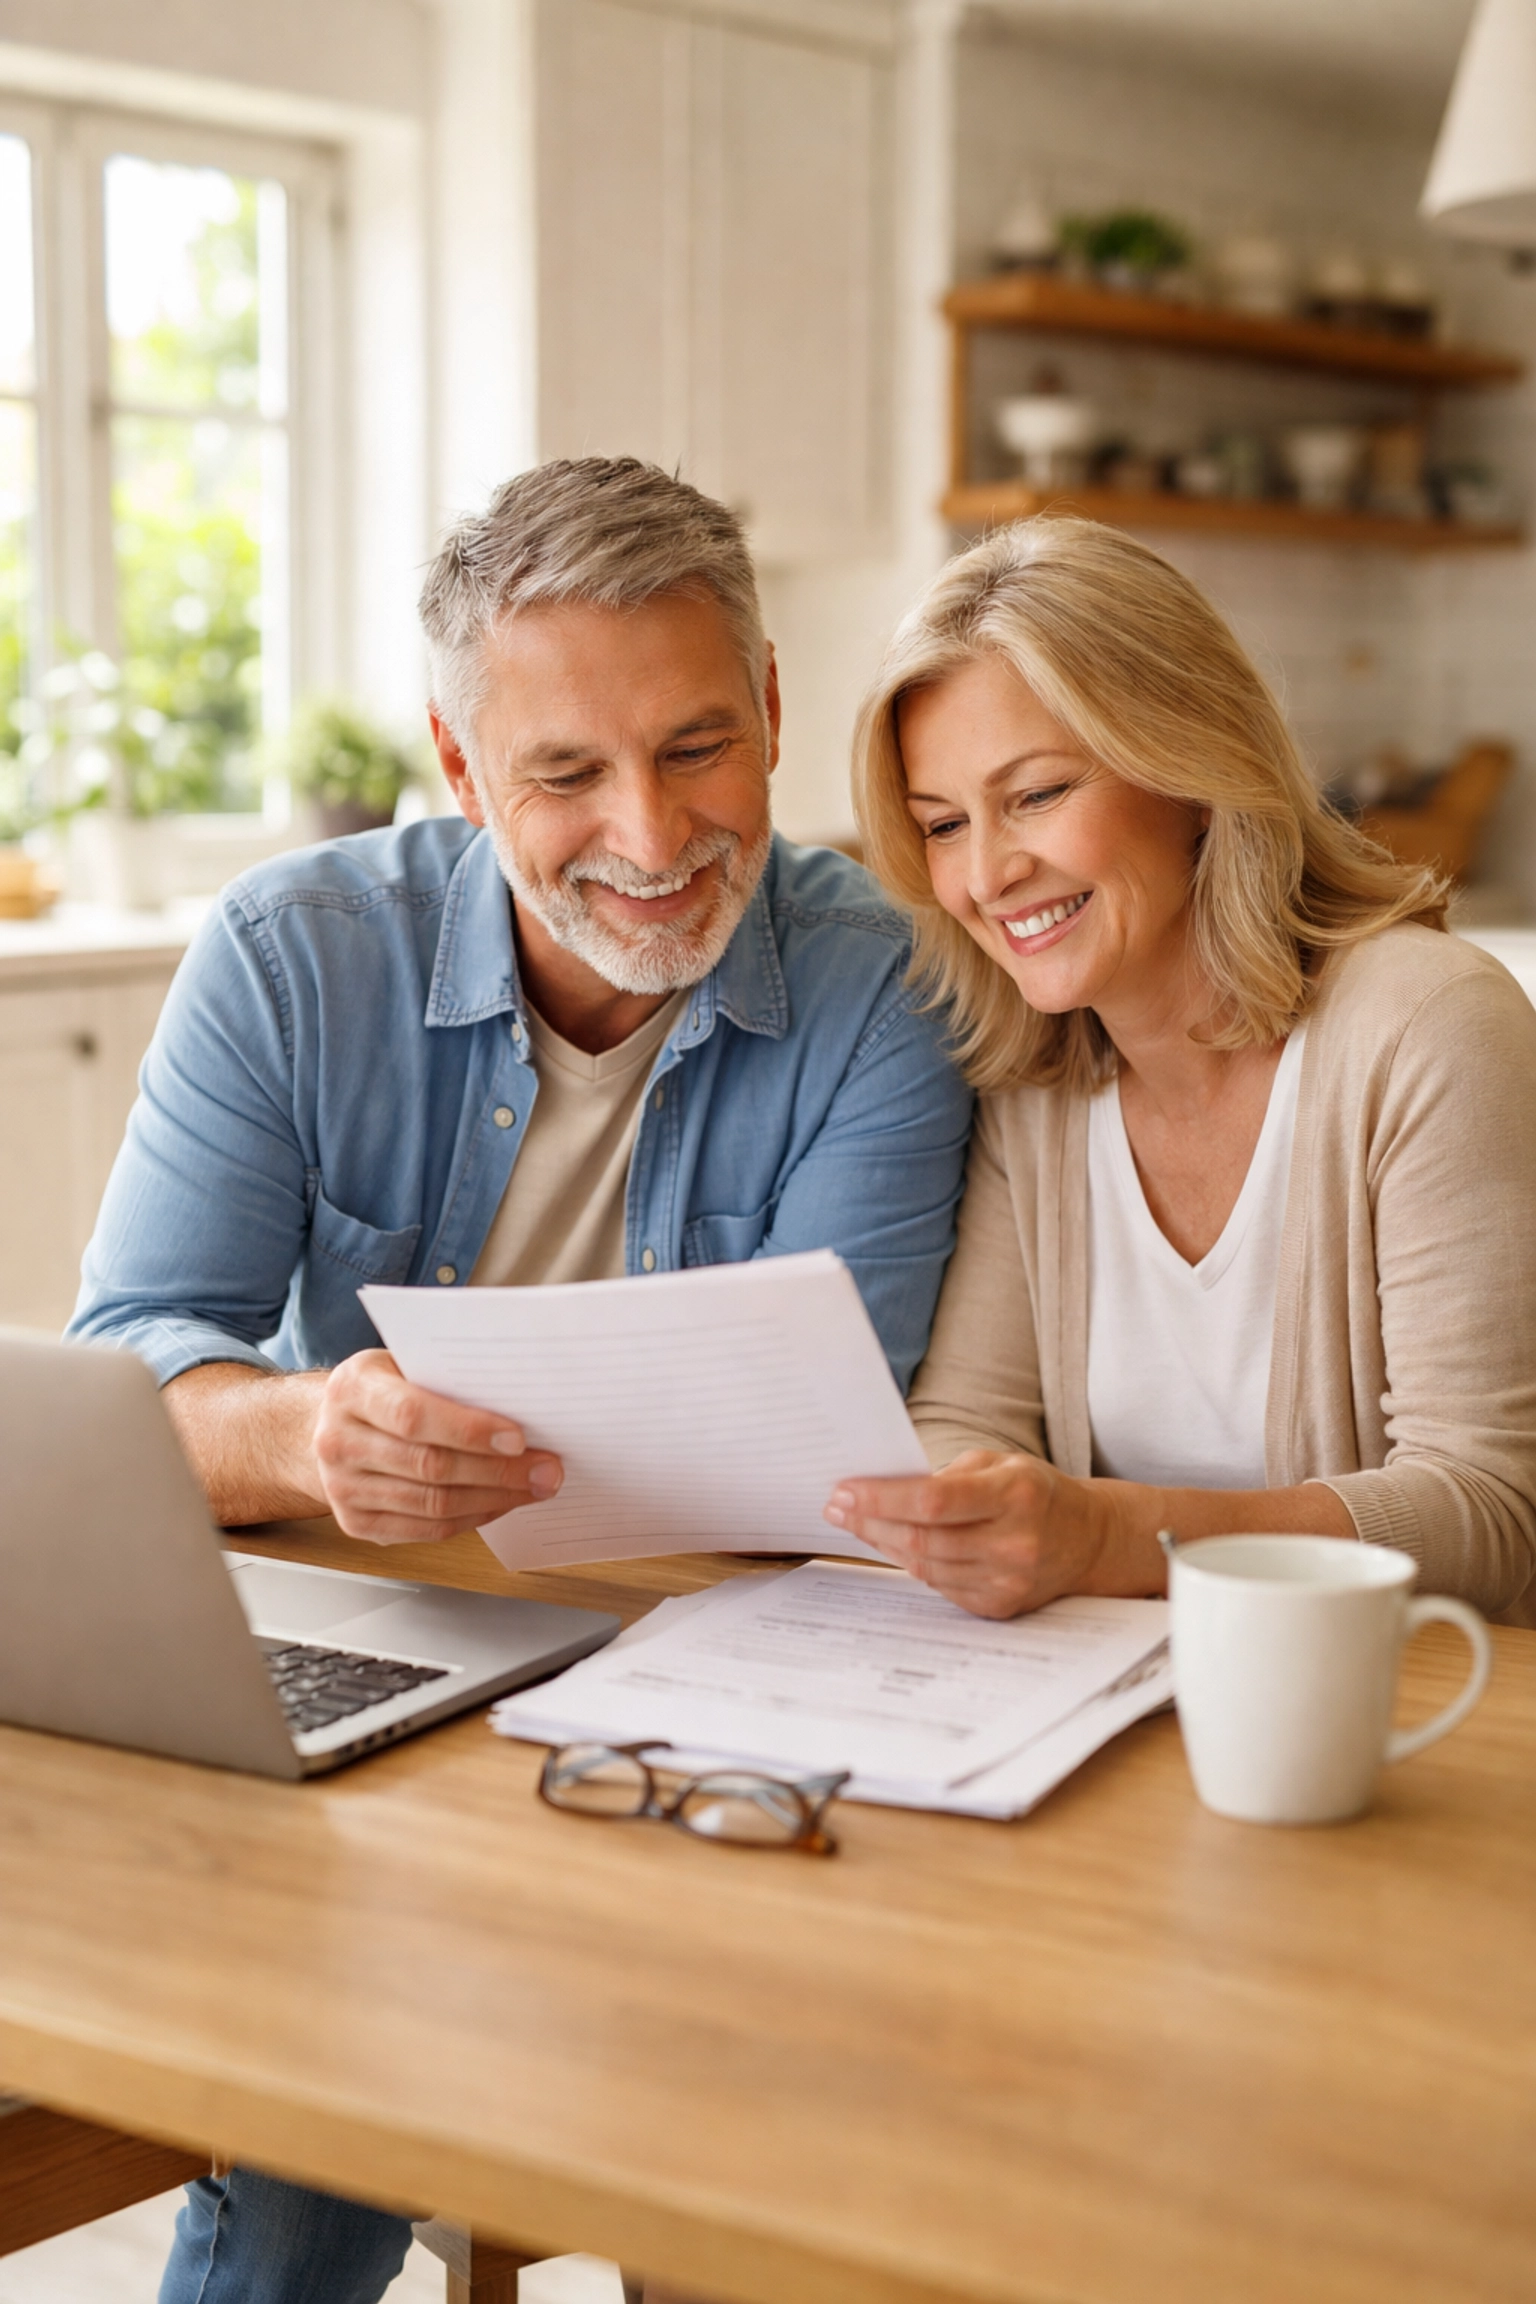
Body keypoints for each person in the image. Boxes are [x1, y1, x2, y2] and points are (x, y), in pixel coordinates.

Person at [69, 456, 972, 2304]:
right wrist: (315, 1433)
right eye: (563, 772)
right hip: (397, 1642)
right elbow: (131, 1365)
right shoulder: (290, 956)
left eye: (700, 745)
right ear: (463, 769)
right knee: (314, 2118)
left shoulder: (890, 988)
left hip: (721, 1669)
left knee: (743, 2161)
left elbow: (812, 1442)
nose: (650, 830)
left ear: (778, 710)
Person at [823, 516, 1536, 1630]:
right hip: (1124, 1720)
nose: (989, 874)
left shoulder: (1430, 1030)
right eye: (944, 824)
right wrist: (959, 1514)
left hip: (1402, 1735)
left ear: (1193, 771)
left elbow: (1493, 1515)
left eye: (1039, 794)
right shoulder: (1037, 1088)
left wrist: (1110, 1537)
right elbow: (967, 1416)